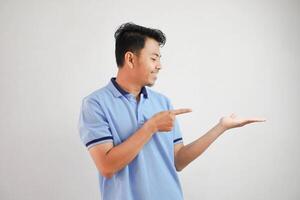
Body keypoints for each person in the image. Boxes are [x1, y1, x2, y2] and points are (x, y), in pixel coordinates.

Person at [78, 22, 266, 200]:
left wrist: (221, 127)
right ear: (130, 58)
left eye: (159, 59)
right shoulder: (95, 104)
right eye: (153, 58)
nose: (159, 65)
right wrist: (150, 127)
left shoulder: (162, 102)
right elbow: (107, 166)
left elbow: (178, 160)